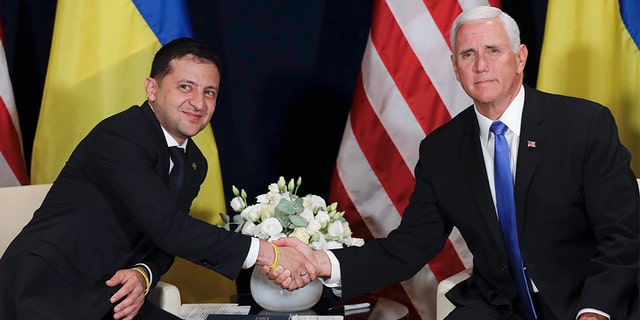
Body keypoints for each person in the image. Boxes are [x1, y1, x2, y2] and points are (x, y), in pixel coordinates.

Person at [268, 6, 639, 320]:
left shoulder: (583, 124)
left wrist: (595, 310)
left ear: (520, 57)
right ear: (455, 67)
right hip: (498, 306)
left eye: (493, 50)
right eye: (467, 55)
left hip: (587, 301)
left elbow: (622, 234)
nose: (481, 66)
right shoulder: (441, 150)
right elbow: (410, 246)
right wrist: (322, 262)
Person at [0, 37, 316, 320]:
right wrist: (269, 253)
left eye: (210, 92)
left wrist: (144, 273)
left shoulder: (194, 162)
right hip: (44, 289)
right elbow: (169, 228)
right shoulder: (121, 136)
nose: (199, 103)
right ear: (152, 89)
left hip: (111, 296)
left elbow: (163, 240)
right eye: (185, 87)